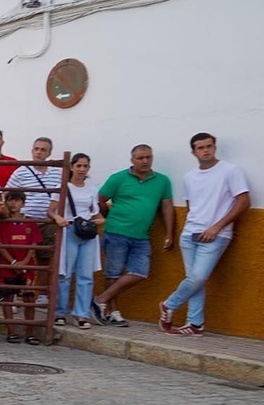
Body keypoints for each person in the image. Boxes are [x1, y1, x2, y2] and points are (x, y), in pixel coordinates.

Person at [159, 133, 251, 336]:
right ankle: (195, 323)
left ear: (215, 148)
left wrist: (218, 227)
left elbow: (244, 201)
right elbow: (191, 206)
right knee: (194, 280)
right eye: (200, 148)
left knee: (199, 277)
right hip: (189, 235)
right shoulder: (189, 177)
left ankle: (169, 304)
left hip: (216, 235)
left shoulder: (230, 171)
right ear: (193, 152)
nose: (206, 150)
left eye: (209, 146)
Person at [91, 144, 175, 326]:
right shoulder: (118, 178)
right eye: (140, 158)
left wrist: (170, 233)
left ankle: (99, 300)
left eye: (148, 157)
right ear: (132, 160)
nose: (145, 161)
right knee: (113, 273)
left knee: (140, 272)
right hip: (116, 231)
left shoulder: (162, 181)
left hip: (142, 236)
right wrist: (107, 216)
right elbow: (100, 199)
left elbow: (167, 206)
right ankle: (113, 312)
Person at [48, 153, 104, 328]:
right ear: (72, 167)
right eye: (78, 166)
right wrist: (57, 218)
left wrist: (100, 220)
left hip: (87, 232)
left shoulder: (92, 190)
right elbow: (51, 210)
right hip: (69, 229)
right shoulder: (63, 187)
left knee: (86, 275)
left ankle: (81, 314)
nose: (81, 169)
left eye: (85, 166)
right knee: (64, 274)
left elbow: (95, 213)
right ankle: (60, 312)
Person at [0, 189, 42, 344]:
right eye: (10, 200)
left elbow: (34, 244)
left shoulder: (30, 222)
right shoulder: (2, 223)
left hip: (27, 266)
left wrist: (24, 262)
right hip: (6, 266)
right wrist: (13, 262)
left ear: (23, 203)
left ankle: (29, 333)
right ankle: (11, 332)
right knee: (7, 298)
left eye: (17, 200)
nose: (13, 203)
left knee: (29, 297)